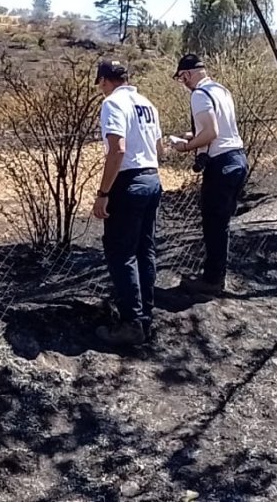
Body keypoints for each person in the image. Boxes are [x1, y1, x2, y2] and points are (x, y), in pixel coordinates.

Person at [91, 59, 164, 346]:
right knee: (145, 249)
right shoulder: (147, 104)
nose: (101, 89)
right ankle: (145, 316)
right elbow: (159, 149)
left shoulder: (112, 103)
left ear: (104, 81)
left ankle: (131, 323)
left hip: (128, 183)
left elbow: (117, 150)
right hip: (152, 178)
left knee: (121, 253)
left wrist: (103, 193)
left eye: (100, 84)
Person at [170, 53, 248, 294]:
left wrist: (184, 146)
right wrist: (194, 136)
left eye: (181, 77)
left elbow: (211, 133)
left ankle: (212, 281)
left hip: (221, 164)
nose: (183, 83)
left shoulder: (199, 94)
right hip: (238, 158)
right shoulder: (221, 90)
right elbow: (220, 129)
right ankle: (215, 275)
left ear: (188, 74)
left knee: (213, 224)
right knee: (221, 223)